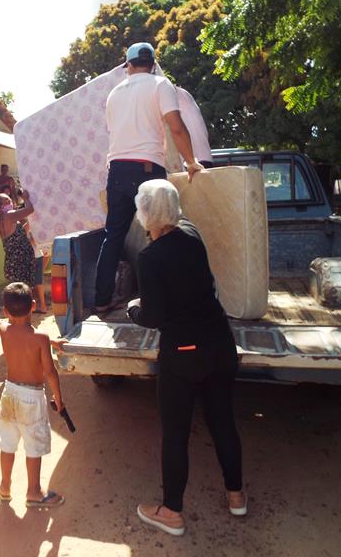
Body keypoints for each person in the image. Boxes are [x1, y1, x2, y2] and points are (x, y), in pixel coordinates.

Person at [126, 179, 245, 537]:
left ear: (145, 212)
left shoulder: (149, 258)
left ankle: (172, 512)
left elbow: (155, 317)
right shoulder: (193, 236)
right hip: (220, 344)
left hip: (183, 354)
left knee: (176, 434)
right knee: (222, 421)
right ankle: (236, 496)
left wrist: (134, 309)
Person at [93, 42, 203, 315]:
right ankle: (166, 299)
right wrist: (191, 162)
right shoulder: (159, 84)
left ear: (127, 65)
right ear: (153, 63)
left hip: (117, 170)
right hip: (147, 170)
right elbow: (176, 127)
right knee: (163, 232)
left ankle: (102, 299)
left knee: (113, 237)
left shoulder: (114, 93)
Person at [0, 282, 65, 508]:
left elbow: (21, 338)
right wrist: (58, 399)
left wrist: (48, 342)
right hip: (31, 398)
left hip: (9, 393)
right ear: (34, 305)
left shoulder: (3, 330)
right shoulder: (41, 338)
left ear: (5, 312)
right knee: (33, 445)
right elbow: (50, 372)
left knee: (7, 443)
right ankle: (33, 491)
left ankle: (5, 486)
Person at [0, 190, 35, 288]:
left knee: (17, 294)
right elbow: (30, 209)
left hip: (13, 262)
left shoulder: (1, 219)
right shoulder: (9, 215)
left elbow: (20, 232)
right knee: (24, 292)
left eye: (10, 200)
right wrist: (25, 198)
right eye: (7, 201)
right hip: (20, 262)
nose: (11, 203)